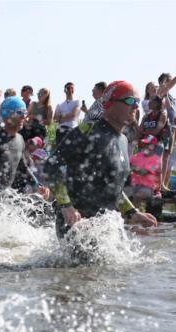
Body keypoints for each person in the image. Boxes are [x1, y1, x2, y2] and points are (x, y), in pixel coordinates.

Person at [46, 80, 157, 248]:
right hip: (75, 225)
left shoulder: (123, 140)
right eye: (129, 101)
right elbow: (51, 165)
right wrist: (66, 206)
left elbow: (113, 187)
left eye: (137, 102)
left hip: (104, 227)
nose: (135, 106)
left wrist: (132, 212)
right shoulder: (88, 130)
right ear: (110, 104)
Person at [125, 136, 162, 209]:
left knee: (138, 196)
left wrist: (132, 168)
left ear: (153, 146)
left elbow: (143, 172)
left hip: (148, 188)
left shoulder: (156, 160)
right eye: (144, 144)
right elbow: (127, 167)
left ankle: (134, 215)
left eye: (147, 144)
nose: (144, 146)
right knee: (122, 194)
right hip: (133, 186)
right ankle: (123, 216)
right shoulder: (137, 156)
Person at [53, 82, 81, 146]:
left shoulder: (77, 102)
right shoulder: (59, 104)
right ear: (65, 90)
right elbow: (55, 119)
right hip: (60, 130)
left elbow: (73, 115)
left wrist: (60, 116)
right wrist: (67, 117)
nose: (70, 89)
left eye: (72, 88)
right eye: (68, 88)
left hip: (72, 129)